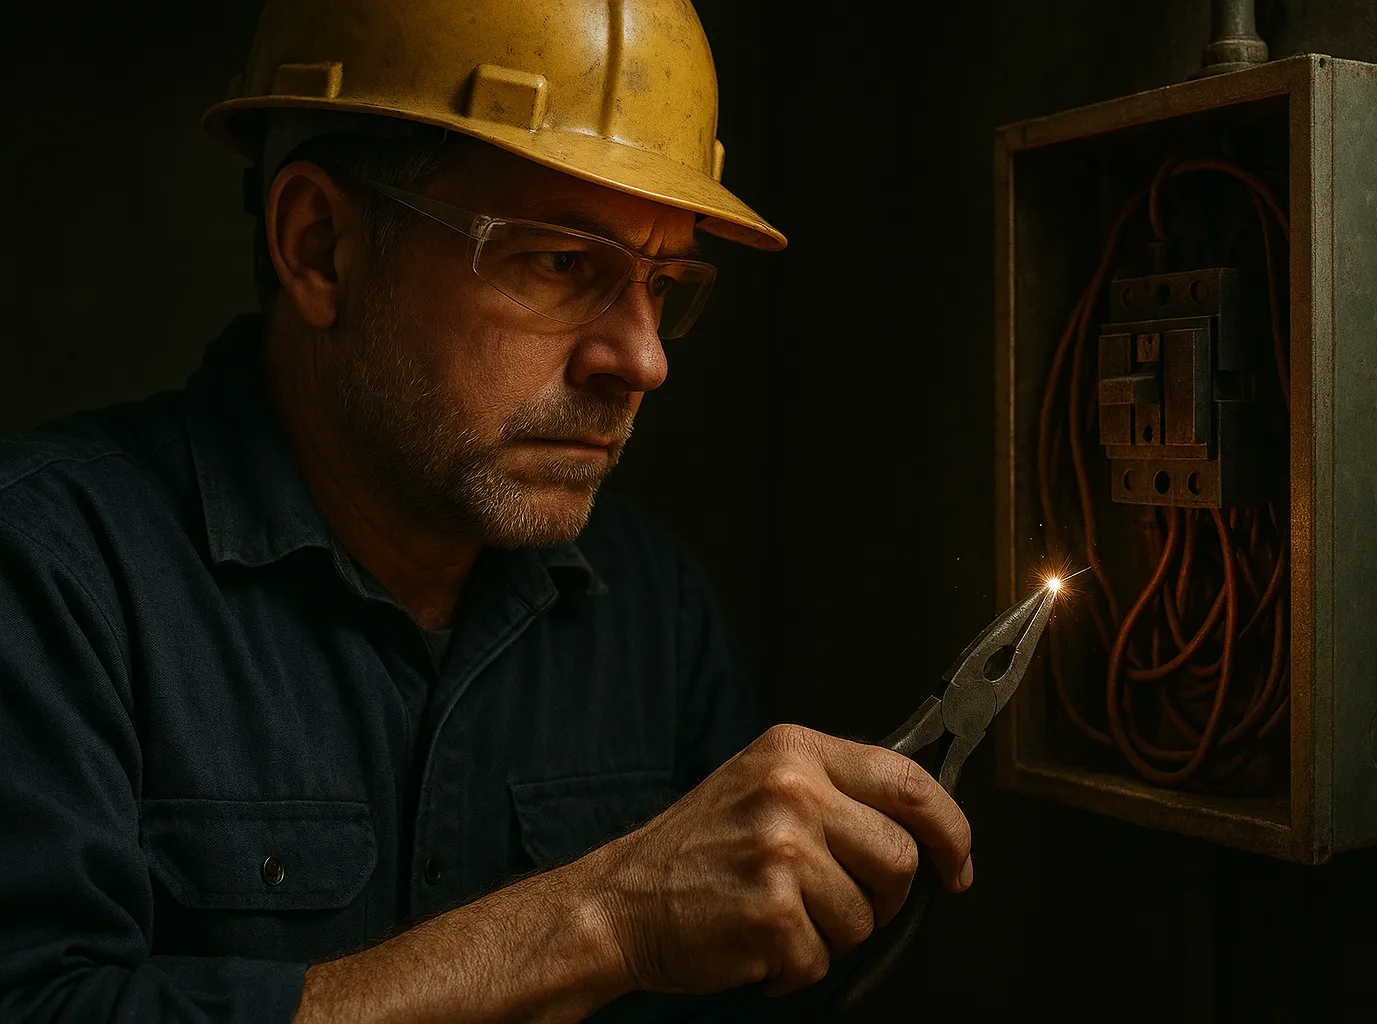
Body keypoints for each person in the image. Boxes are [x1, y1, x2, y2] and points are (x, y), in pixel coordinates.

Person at [0, 1, 973, 1021]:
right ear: (319, 246)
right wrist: (602, 917)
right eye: (558, 263)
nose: (643, 361)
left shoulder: (652, 610)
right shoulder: (49, 576)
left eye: (664, 283)